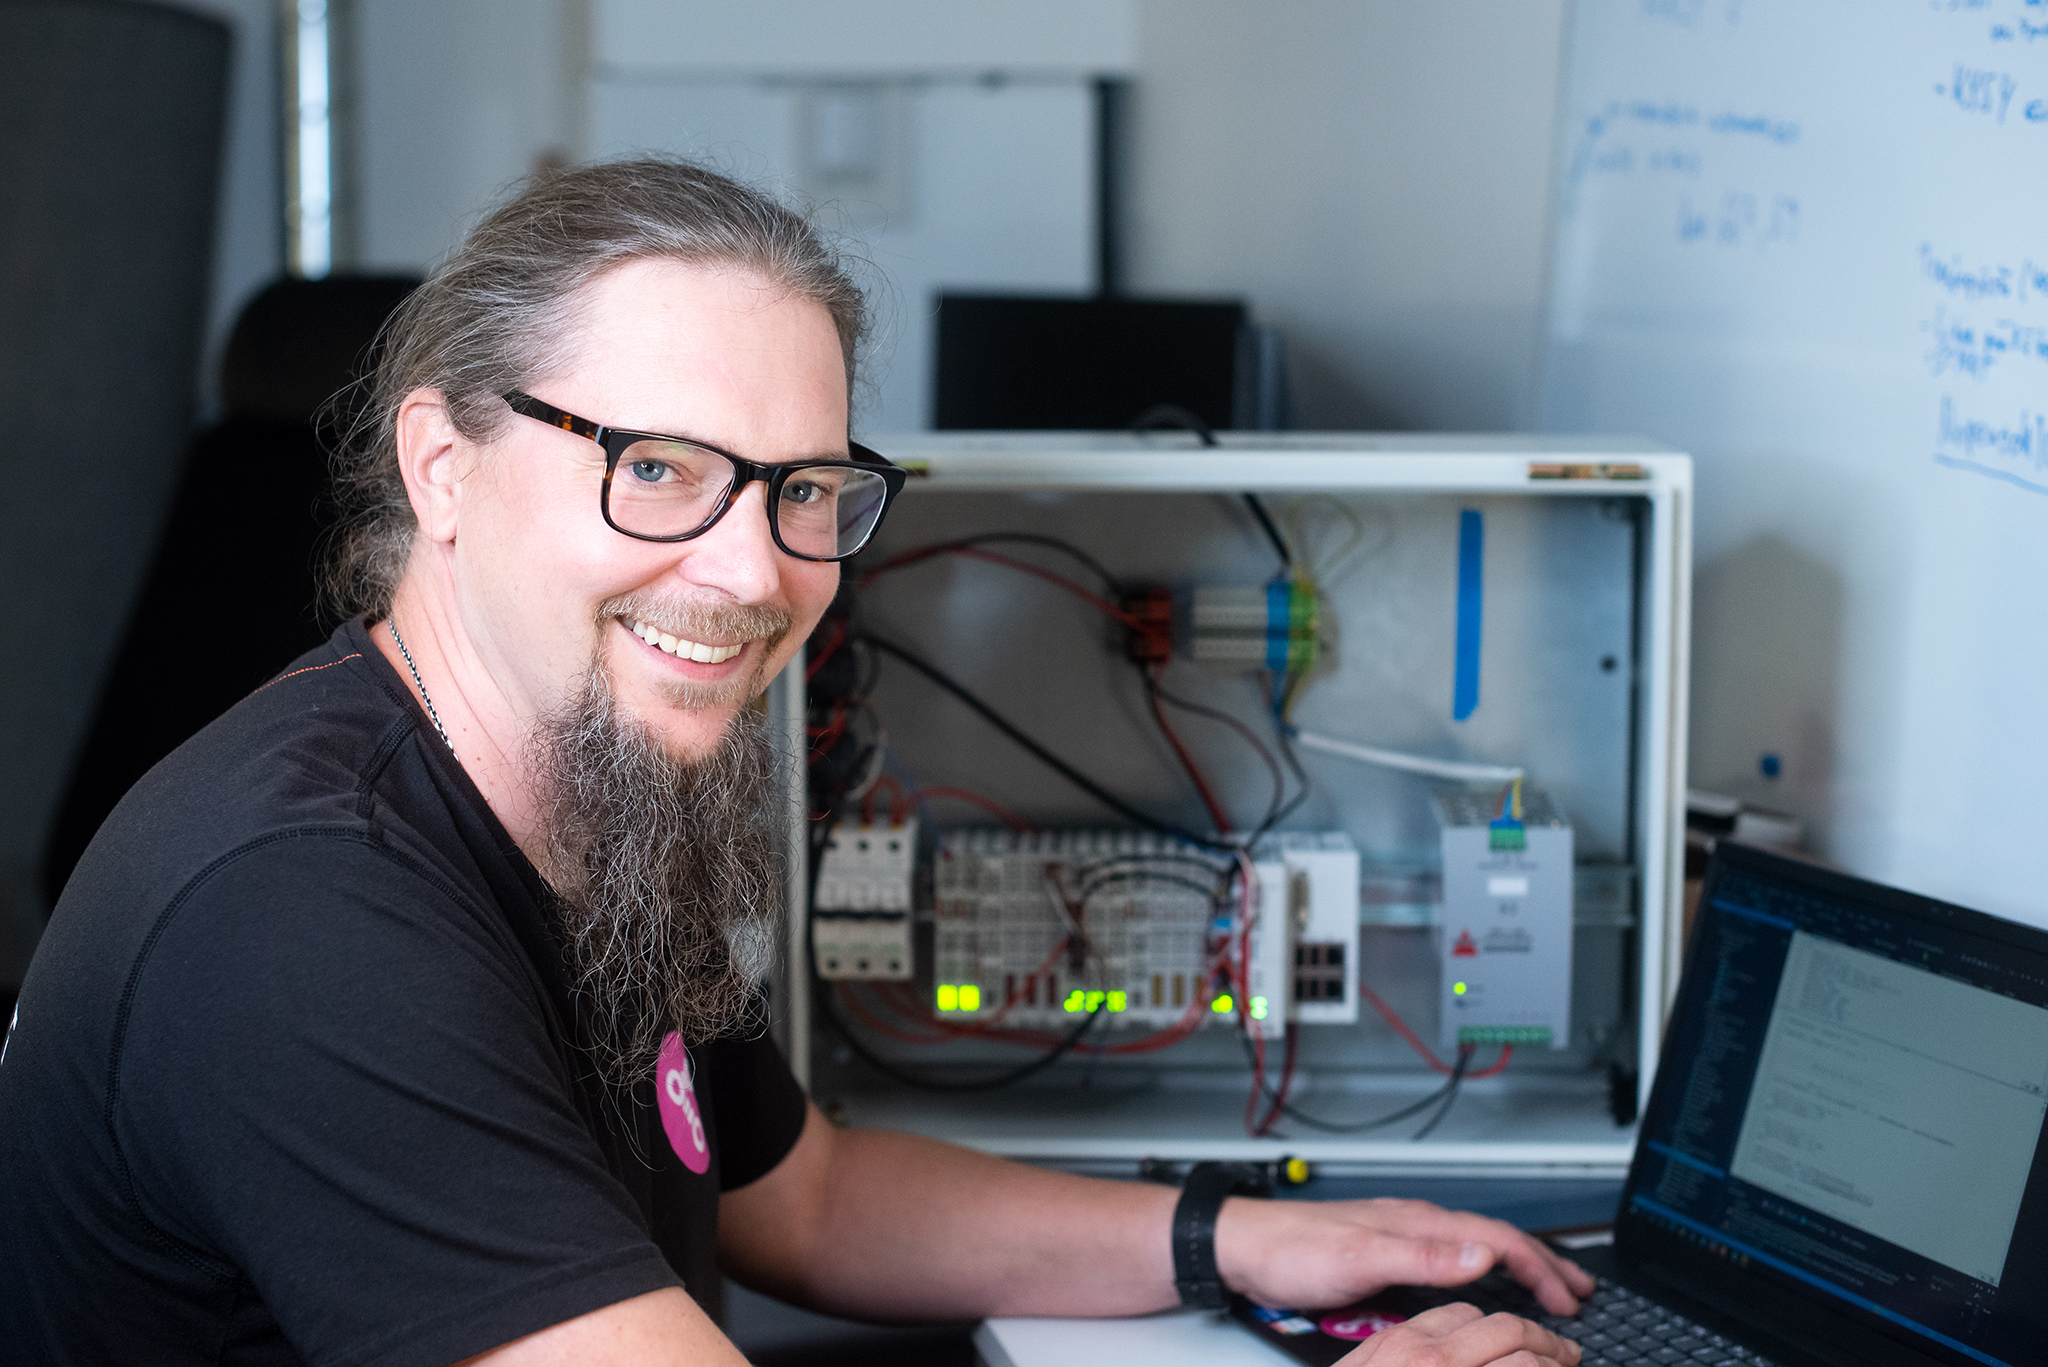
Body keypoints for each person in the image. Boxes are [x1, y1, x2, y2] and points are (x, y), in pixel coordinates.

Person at [0, 158, 1590, 1367]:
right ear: (444, 466)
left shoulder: (599, 796)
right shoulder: (304, 917)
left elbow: (798, 1197)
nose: (756, 573)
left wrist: (1238, 1239)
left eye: (806, 490)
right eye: (660, 470)